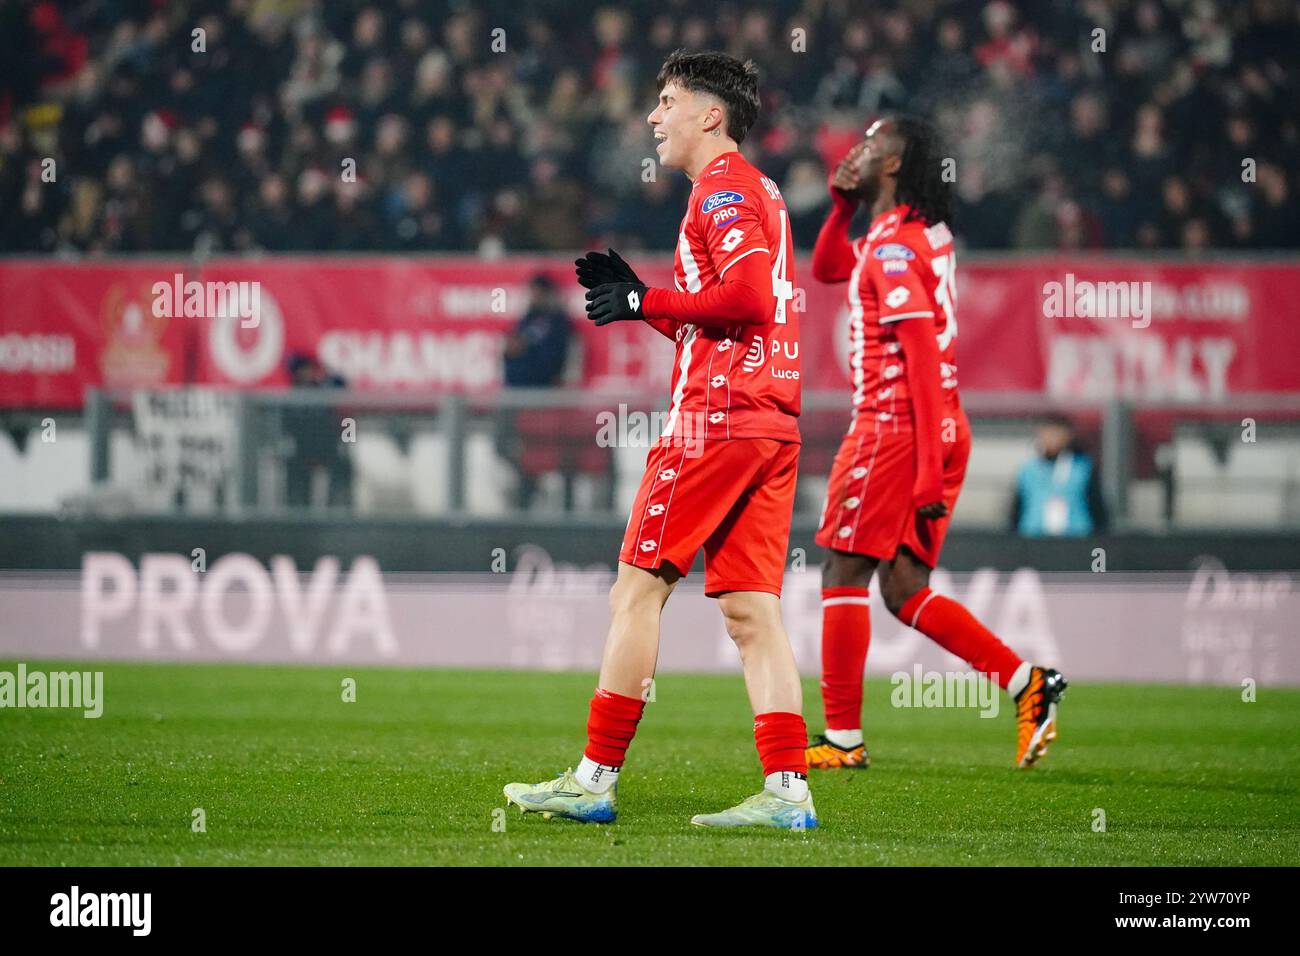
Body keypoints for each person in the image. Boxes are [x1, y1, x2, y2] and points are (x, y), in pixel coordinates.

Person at [504, 50, 815, 829]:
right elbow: (733, 303)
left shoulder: (722, 189)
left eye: (668, 100)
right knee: (751, 612)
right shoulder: (760, 192)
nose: (654, 116)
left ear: (711, 115)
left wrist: (648, 294)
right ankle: (787, 794)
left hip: (717, 419)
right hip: (770, 420)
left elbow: (742, 300)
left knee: (637, 590)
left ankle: (594, 779)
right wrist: (646, 301)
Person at [805, 116, 1067, 772]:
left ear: (893, 165)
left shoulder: (894, 248)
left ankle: (841, 740)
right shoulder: (908, 233)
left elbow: (919, 354)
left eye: (869, 148)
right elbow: (828, 268)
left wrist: (924, 469)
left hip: (895, 427)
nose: (854, 155)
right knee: (902, 587)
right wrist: (840, 211)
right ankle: (1027, 683)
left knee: (842, 567)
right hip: (940, 425)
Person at [498, 274, 574, 509]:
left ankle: (541, 498)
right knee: (503, 445)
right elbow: (509, 354)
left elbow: (554, 362)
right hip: (516, 399)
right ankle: (528, 488)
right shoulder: (526, 320)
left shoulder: (558, 322)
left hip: (543, 400)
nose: (533, 297)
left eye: (537, 292)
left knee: (546, 453)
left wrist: (523, 354)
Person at [1010, 412, 1108, 537]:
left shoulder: (1083, 468)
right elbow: (1017, 508)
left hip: (1076, 537)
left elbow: (1097, 508)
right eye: (1047, 433)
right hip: (1033, 538)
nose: (1052, 438)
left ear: (1068, 436)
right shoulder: (1028, 469)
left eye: (1057, 433)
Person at [283, 353, 353, 509]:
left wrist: (348, 442)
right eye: (300, 370)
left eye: (307, 369)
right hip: (302, 449)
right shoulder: (291, 394)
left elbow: (349, 419)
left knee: (343, 468)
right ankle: (298, 513)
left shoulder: (332, 387)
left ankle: (336, 511)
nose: (304, 374)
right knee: (295, 472)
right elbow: (286, 425)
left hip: (329, 447)